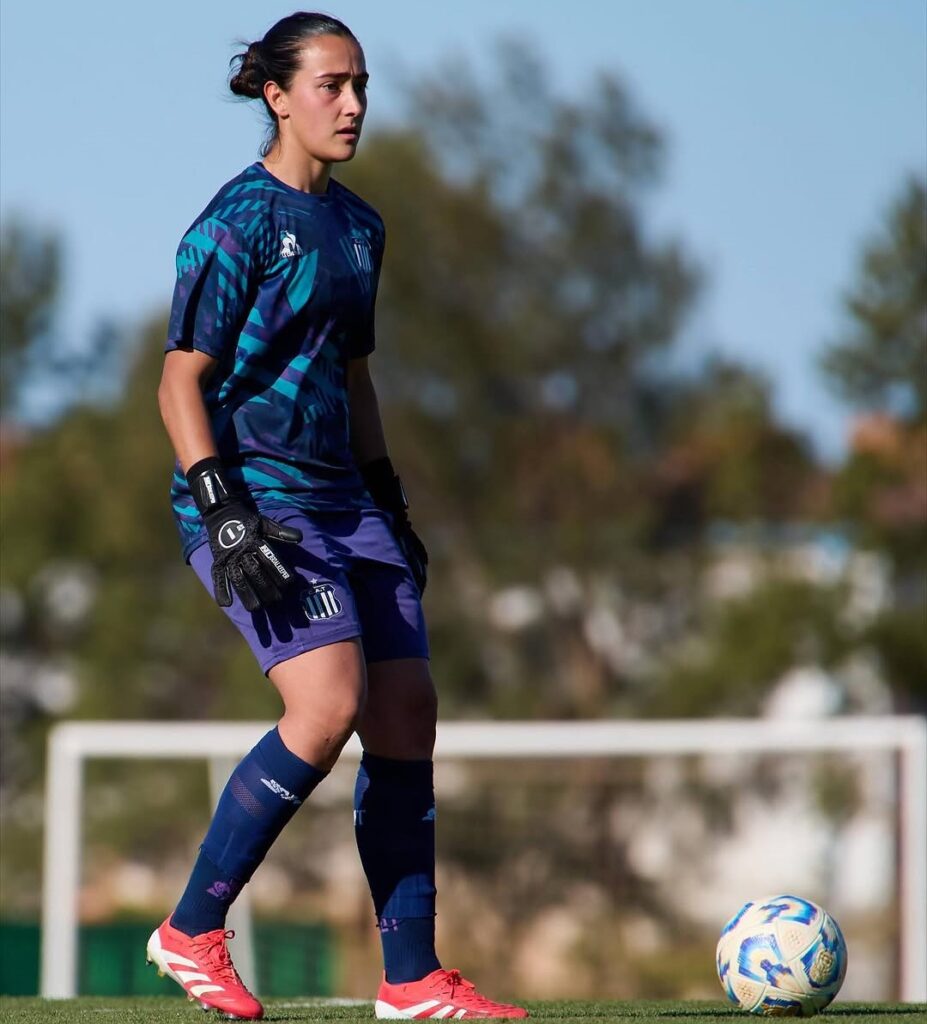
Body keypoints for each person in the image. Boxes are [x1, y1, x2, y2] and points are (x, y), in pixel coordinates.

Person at [145, 11, 527, 1022]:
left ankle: (410, 980)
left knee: (407, 712)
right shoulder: (233, 225)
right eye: (330, 85)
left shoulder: (360, 228)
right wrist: (223, 507)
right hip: (256, 502)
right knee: (326, 706)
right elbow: (180, 383)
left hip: (345, 501)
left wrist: (390, 497)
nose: (353, 104)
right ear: (276, 95)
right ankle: (190, 929)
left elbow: (354, 375)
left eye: (361, 84)